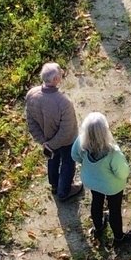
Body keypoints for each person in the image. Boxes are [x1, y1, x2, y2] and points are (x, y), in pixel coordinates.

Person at [73, 112, 131, 246]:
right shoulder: (113, 152)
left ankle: (98, 227)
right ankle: (119, 238)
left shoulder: (81, 142)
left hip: (91, 181)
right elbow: (123, 173)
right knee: (114, 209)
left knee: (96, 201)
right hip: (112, 187)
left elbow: (74, 156)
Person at [26, 62, 81, 203]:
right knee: (68, 163)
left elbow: (31, 122)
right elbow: (66, 130)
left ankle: (55, 186)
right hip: (66, 141)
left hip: (47, 140)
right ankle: (64, 192)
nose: (62, 73)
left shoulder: (31, 94)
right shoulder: (63, 102)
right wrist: (52, 144)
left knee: (52, 160)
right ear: (56, 79)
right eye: (60, 73)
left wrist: (45, 142)